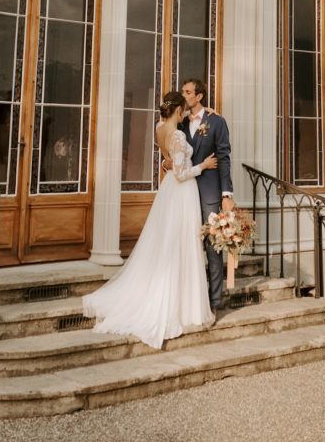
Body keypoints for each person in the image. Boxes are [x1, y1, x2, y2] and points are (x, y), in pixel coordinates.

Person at [82, 92, 217, 349]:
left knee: (170, 243)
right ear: (178, 110)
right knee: (179, 245)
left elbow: (168, 163)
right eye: (184, 109)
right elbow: (180, 174)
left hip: (168, 192)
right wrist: (203, 166)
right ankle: (182, 307)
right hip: (181, 192)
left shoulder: (159, 128)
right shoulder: (177, 135)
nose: (187, 112)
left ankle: (183, 302)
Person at [180, 78, 234, 315]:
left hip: (210, 193)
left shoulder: (217, 122)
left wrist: (226, 193)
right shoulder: (180, 123)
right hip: (184, 192)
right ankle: (189, 301)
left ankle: (214, 303)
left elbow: (223, 157)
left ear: (199, 96)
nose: (184, 95)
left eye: (188, 92)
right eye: (183, 91)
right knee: (186, 246)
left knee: (213, 248)